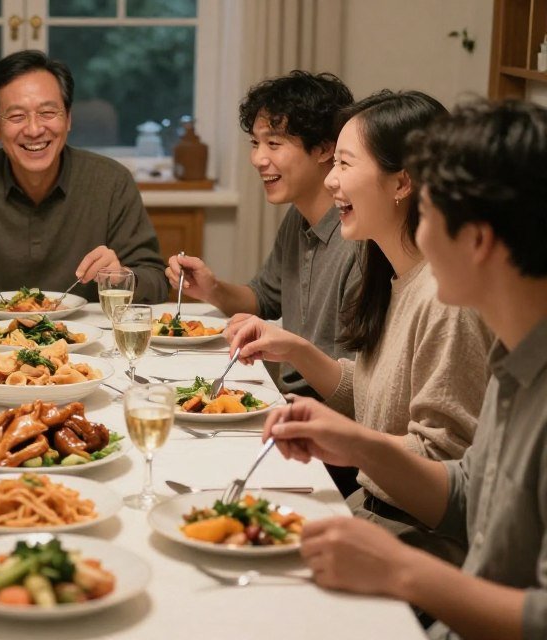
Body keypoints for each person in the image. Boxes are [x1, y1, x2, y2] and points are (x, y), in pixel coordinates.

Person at [262, 99, 547, 640]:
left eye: (430, 212)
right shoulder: (516, 363)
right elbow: (467, 494)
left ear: (478, 240)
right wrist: (360, 445)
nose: (420, 230)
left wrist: (402, 572)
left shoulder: (463, 319)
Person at [230, 91, 492, 562]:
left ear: (401, 183)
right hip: (371, 514)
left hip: (414, 540)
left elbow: (443, 466)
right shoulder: (390, 274)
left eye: (345, 165)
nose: (330, 180)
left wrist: (350, 445)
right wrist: (296, 349)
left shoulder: (444, 298)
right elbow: (377, 401)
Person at [0, 49, 169, 305]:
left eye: (48, 113)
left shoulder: (111, 182)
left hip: (85, 345)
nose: (35, 130)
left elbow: (157, 282)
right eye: (16, 116)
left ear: (69, 118)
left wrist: (121, 277)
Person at [166, 71, 359, 399]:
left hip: (328, 415)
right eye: (256, 143)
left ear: (325, 148)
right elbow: (265, 299)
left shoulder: (358, 237)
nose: (258, 158)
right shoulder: (297, 219)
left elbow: (363, 389)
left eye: (274, 143)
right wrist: (211, 289)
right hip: (290, 400)